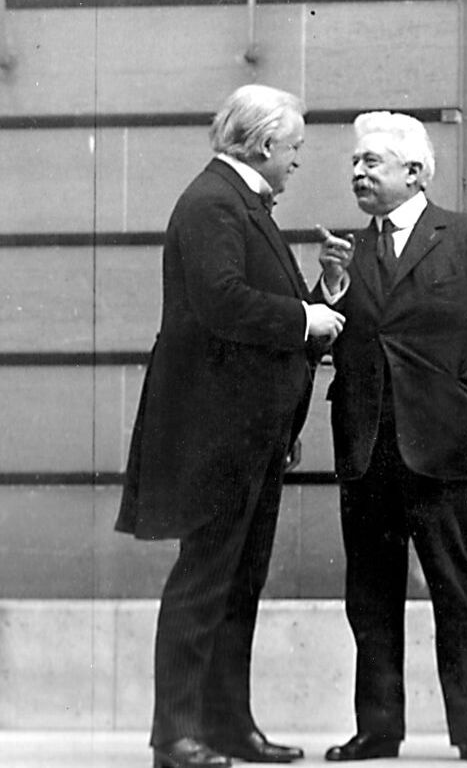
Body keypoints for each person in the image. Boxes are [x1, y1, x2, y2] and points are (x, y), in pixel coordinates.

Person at [116, 84, 346, 768]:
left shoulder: (232, 202)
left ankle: (224, 727)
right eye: (294, 147)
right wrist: (306, 317)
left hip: (246, 432)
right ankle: (176, 736)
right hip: (219, 433)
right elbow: (223, 303)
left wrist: (322, 295)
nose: (298, 159)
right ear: (265, 143)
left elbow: (251, 312)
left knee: (236, 583)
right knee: (206, 581)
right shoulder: (216, 203)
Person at [316, 111, 467, 764]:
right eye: (355, 163)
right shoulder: (348, 252)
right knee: (369, 599)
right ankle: (378, 730)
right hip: (367, 450)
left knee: (456, 593)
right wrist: (330, 287)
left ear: (414, 172)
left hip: (444, 449)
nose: (357, 173)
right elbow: (325, 335)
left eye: (371, 162)